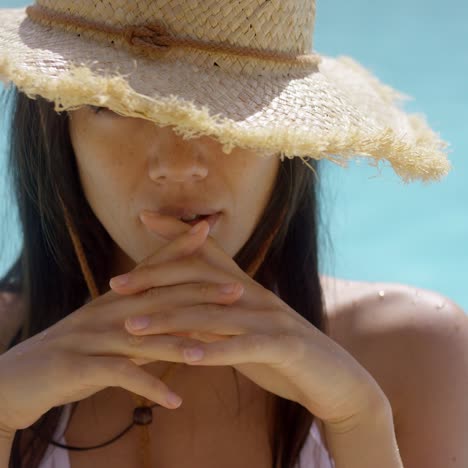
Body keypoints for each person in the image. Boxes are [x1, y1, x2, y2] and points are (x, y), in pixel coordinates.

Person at [0, 1, 466, 467]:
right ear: (54, 126)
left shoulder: (412, 354)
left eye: (225, 108)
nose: (178, 165)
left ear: (288, 139)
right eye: (117, 104)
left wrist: (360, 423)